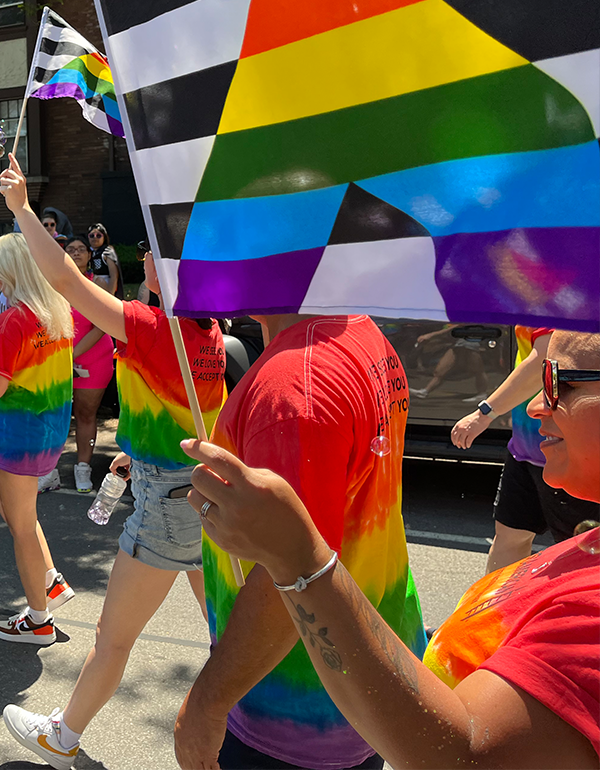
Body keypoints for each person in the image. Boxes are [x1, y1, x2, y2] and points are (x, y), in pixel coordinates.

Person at [175, 328, 600, 769]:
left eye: (561, 383)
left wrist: (299, 561)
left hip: (292, 714)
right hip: (365, 704)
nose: (536, 405)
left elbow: (464, 756)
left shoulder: (295, 381)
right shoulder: (366, 339)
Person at [0, 154, 226, 769]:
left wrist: (22, 211)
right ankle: (256, 728)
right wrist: (127, 457)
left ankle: (62, 734)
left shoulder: (155, 327)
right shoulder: (205, 331)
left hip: (165, 505)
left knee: (113, 638)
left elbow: (69, 284)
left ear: (167, 272)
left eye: (152, 254)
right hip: (199, 492)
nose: (141, 259)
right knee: (225, 633)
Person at [173, 307, 426, 768]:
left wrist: (206, 704)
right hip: (366, 677)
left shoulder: (292, 388)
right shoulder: (359, 328)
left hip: (297, 706)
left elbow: (290, 579)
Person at [451, 326, 599, 572]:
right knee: (510, 536)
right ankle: (495, 608)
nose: (535, 406)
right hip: (527, 448)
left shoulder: (558, 300)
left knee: (580, 556)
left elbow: (544, 359)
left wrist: (485, 413)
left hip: (567, 450)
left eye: (564, 386)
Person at [0, 233, 75, 645]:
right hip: (46, 435)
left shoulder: (14, 318)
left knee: (21, 527)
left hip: (17, 438)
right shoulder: (54, 313)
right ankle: (51, 582)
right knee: (21, 516)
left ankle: (38, 621)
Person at [67, 236, 115, 493]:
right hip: (59, 360)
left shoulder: (96, 283)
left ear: (88, 255)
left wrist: (72, 355)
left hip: (92, 358)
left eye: (81, 249)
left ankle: (83, 466)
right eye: (70, 250)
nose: (75, 253)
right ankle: (48, 469)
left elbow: (101, 325)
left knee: (86, 413)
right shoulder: (54, 285)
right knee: (59, 414)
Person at [87, 223, 123, 299]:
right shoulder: (90, 252)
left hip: (105, 283)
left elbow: (114, 275)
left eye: (98, 235)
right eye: (91, 236)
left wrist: (111, 294)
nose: (95, 238)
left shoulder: (108, 252)